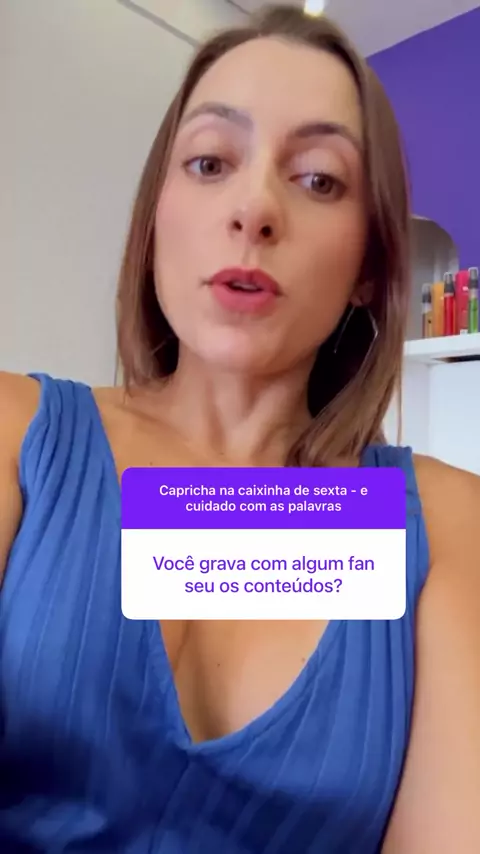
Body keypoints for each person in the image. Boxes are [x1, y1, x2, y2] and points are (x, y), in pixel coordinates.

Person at [0, 4, 479, 852]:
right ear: (157, 217)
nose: (254, 208)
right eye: (211, 161)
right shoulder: (16, 439)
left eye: (319, 179)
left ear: (370, 265)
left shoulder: (447, 529)